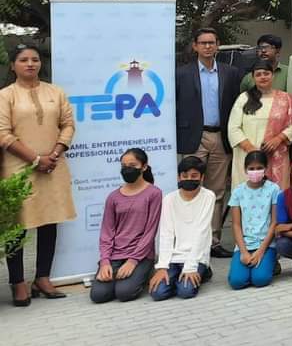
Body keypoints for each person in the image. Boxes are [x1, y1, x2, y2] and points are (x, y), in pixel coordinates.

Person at [1, 43, 76, 304]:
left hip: (53, 165)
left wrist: (53, 154)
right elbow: (3, 134)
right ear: (13, 65)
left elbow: (67, 125)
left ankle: (43, 277)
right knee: (18, 226)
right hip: (19, 169)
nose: (30, 64)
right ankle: (18, 282)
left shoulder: (55, 92)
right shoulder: (6, 96)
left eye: (34, 59)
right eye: (23, 60)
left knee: (49, 220)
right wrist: (35, 159)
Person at [175, 27, 243, 258]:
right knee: (190, 186)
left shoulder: (230, 73)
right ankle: (191, 238)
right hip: (194, 137)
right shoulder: (181, 74)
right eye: (202, 43)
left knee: (216, 191)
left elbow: (235, 106)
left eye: (211, 42)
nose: (207, 46)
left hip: (220, 137)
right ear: (195, 46)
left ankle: (213, 239)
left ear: (217, 45)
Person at [91, 148, 162, 304]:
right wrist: (104, 262)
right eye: (124, 166)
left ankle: (145, 271)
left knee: (124, 293)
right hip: (115, 255)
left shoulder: (154, 194)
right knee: (98, 295)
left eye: (132, 165)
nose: (127, 169)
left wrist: (133, 261)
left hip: (141, 256)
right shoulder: (113, 197)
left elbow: (150, 232)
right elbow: (106, 232)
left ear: (144, 167)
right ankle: (120, 276)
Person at [150, 157, 216, 301]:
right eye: (184, 176)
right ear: (178, 177)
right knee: (158, 293)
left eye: (194, 176)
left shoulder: (208, 196)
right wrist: (162, 267)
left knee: (185, 292)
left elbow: (202, 232)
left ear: (202, 177)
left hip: (197, 256)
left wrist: (191, 267)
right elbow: (166, 234)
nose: (188, 179)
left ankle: (201, 271)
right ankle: (178, 279)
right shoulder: (169, 199)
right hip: (174, 257)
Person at [228, 58, 292, 188]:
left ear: (273, 75)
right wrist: (252, 150)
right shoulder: (244, 98)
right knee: (248, 196)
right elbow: (233, 128)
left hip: (276, 154)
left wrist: (278, 139)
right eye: (258, 74)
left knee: (276, 196)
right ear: (253, 78)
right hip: (248, 155)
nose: (263, 77)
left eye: (266, 73)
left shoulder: (285, 98)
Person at [227, 150, 280, 290]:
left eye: (259, 168)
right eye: (251, 168)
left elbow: (274, 222)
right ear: (245, 170)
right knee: (236, 282)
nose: (255, 171)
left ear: (266, 169)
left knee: (260, 280)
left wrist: (261, 251)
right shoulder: (238, 191)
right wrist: (243, 251)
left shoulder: (274, 189)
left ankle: (272, 263)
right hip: (244, 244)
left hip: (266, 244)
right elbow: (236, 225)